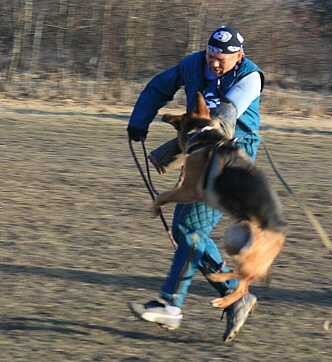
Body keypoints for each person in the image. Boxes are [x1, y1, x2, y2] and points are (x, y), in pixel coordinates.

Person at [126, 26, 264, 343]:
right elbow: (158, 87)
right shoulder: (192, 63)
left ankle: (170, 304)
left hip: (230, 161)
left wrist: (175, 148)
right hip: (199, 155)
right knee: (185, 230)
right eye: (212, 57)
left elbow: (225, 116)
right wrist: (139, 120)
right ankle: (235, 295)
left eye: (223, 60)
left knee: (189, 229)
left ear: (239, 56)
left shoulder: (251, 77)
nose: (216, 64)